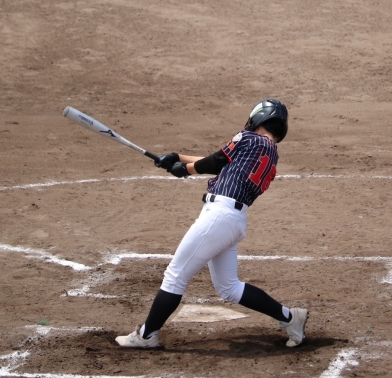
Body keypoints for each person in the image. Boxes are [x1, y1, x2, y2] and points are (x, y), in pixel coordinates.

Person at [115, 98, 308, 348]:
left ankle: (146, 335)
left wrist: (185, 169)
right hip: (233, 221)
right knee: (229, 288)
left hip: (219, 216)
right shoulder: (269, 154)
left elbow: (217, 161)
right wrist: (177, 158)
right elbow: (224, 162)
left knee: (175, 276)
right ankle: (291, 318)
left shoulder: (249, 138)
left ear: (257, 118)